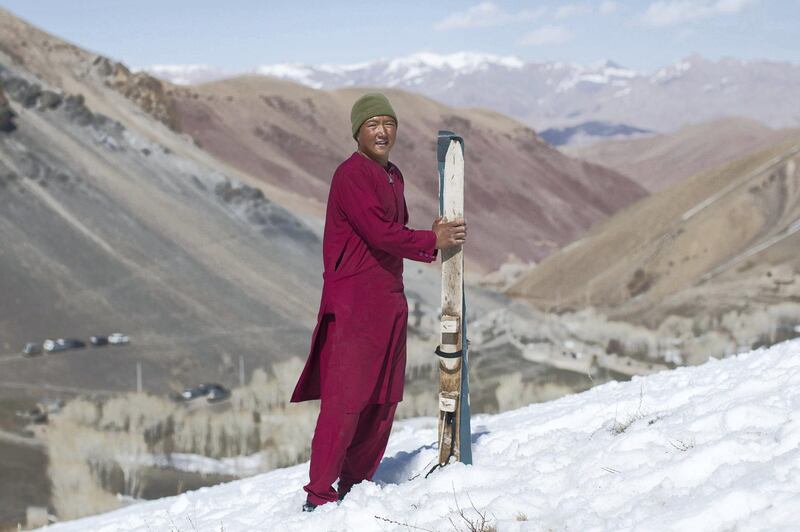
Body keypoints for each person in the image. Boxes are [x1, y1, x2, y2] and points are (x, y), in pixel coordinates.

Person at [290, 92, 467, 511]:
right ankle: (319, 495)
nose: (382, 131)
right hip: (354, 302)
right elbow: (380, 233)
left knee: (383, 399)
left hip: (388, 298)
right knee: (346, 399)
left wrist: (430, 234)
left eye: (388, 123)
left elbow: (391, 228)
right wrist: (432, 240)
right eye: (372, 124)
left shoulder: (393, 174)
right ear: (358, 132)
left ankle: (356, 483)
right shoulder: (349, 174)